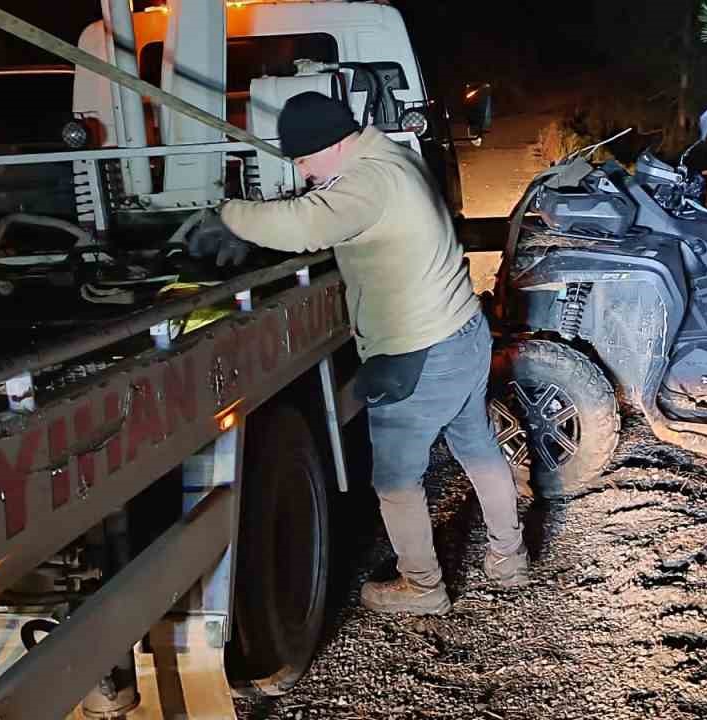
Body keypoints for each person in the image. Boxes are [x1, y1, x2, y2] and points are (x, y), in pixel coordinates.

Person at [187, 91, 527, 616]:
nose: (301, 174)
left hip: (418, 353)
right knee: (478, 448)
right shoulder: (393, 157)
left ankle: (423, 587)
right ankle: (510, 557)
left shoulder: (369, 182)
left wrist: (229, 215)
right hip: (463, 333)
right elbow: (327, 213)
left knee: (395, 481)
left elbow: (306, 225)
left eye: (303, 160)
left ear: (333, 143)